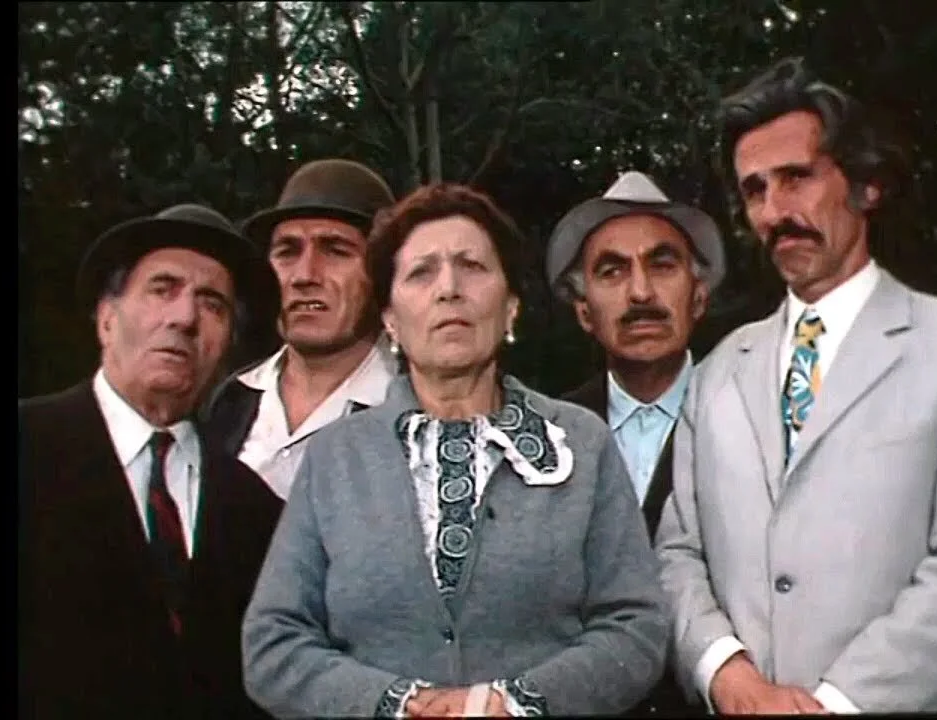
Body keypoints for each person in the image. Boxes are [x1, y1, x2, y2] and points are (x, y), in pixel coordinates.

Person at [241, 183, 668, 718]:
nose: (449, 288)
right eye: (421, 272)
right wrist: (398, 704)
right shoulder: (335, 457)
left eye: (472, 266)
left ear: (510, 307)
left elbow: (636, 628)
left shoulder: (581, 441)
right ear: (390, 319)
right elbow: (273, 644)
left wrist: (515, 704)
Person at [655, 57, 937, 714]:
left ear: (867, 187)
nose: (774, 212)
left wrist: (837, 704)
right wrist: (726, 676)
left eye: (796, 178)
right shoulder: (718, 372)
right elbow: (677, 552)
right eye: (755, 190)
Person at [19, 203, 284, 720]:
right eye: (163, 289)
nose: (184, 318)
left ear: (227, 343)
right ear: (106, 319)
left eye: (212, 304)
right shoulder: (30, 445)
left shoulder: (254, 508)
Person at [545, 170, 726, 717]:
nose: (641, 292)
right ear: (584, 312)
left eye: (662, 265)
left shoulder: (751, 417)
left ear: (698, 297)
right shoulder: (545, 435)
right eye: (612, 271)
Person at [205, 158, 399, 501]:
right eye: (287, 252)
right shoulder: (230, 400)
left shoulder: (412, 404)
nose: (305, 275)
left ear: (384, 273)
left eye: (335, 251)